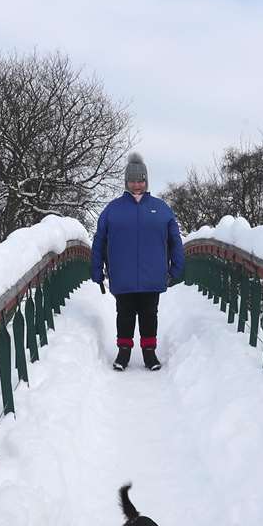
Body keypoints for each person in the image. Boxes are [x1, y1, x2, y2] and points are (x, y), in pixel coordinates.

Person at [91, 152, 184, 371]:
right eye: (132, 181)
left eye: (140, 180)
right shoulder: (112, 210)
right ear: (126, 182)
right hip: (122, 275)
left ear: (146, 180)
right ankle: (123, 353)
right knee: (124, 315)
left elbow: (175, 241)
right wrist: (96, 269)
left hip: (152, 275)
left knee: (149, 315)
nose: (137, 185)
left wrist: (176, 268)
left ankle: (149, 355)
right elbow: (99, 241)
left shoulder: (161, 209)